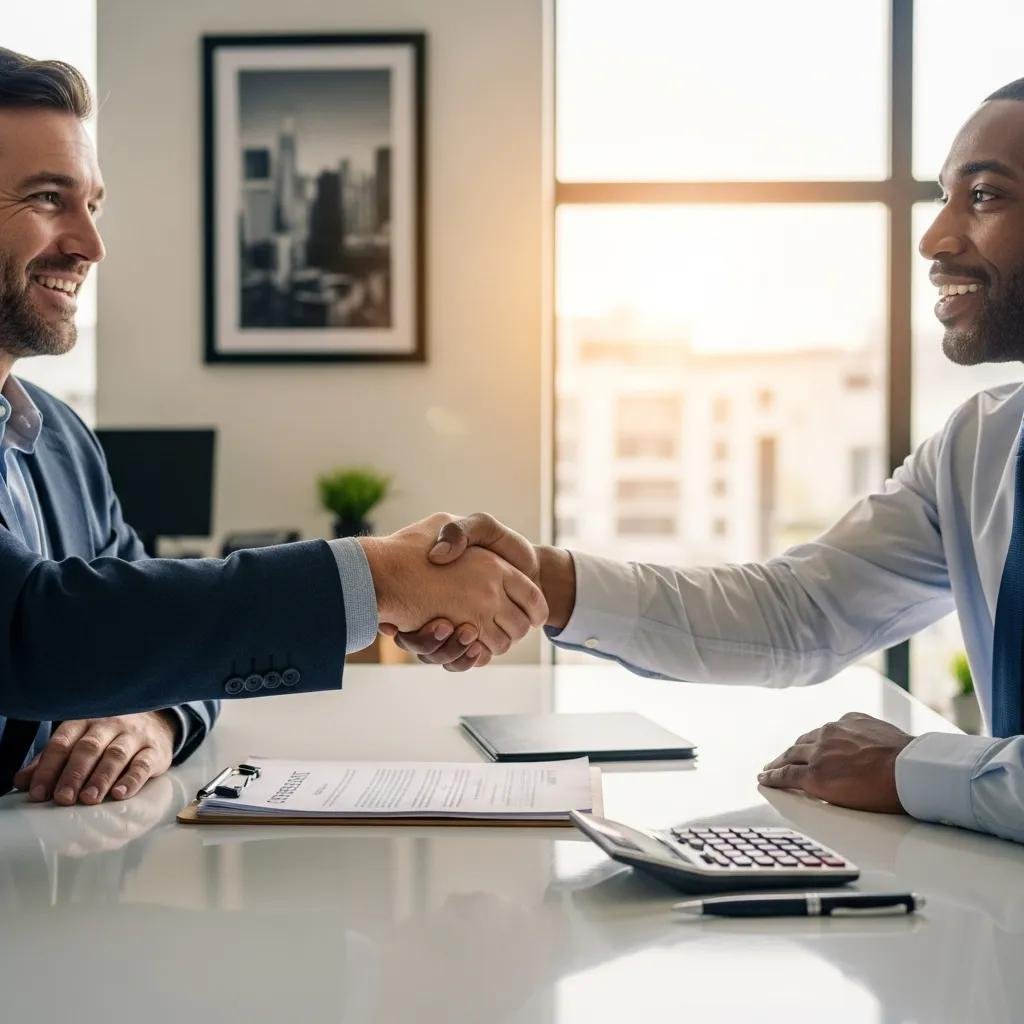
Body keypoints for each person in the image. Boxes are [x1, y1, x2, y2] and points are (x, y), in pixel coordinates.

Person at [390, 79, 1024, 846]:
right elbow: (799, 614)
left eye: (984, 196)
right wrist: (543, 579)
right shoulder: (978, 447)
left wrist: (914, 769)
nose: (934, 239)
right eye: (944, 196)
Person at [0, 48, 546, 806]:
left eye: (91, 205)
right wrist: (379, 575)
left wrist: (155, 715)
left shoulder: (58, 437)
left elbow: (145, 625)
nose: (91, 246)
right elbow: (34, 627)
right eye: (47, 199)